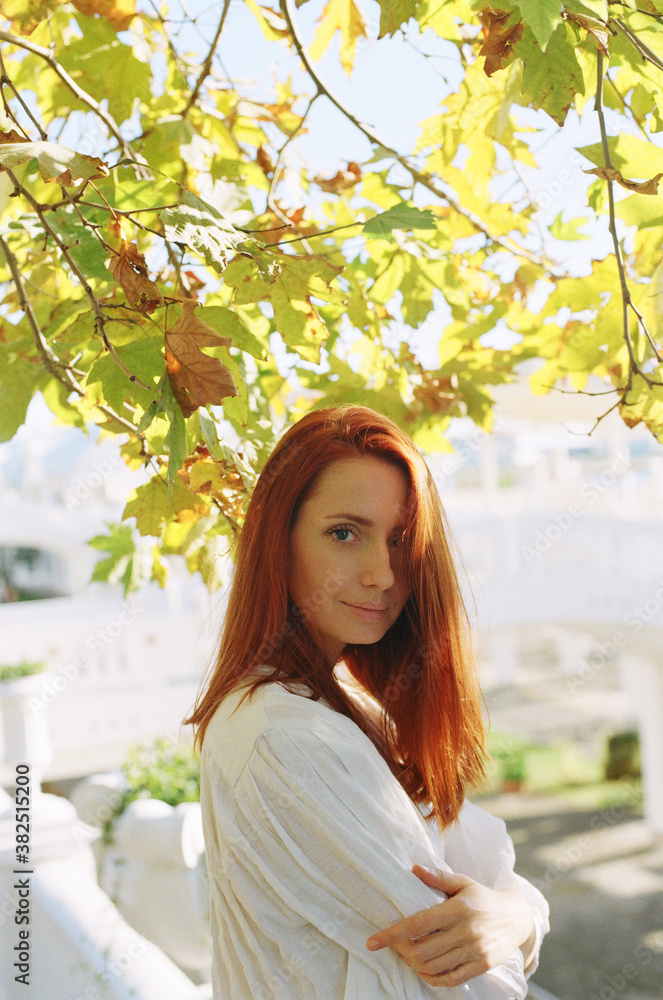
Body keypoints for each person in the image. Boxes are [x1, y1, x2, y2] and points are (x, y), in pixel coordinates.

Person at [184, 405, 549, 999]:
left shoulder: (349, 707)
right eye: (344, 533)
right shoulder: (286, 736)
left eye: (400, 540)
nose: (383, 574)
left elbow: (495, 880)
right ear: (278, 540)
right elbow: (466, 983)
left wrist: (516, 915)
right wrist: (515, 920)